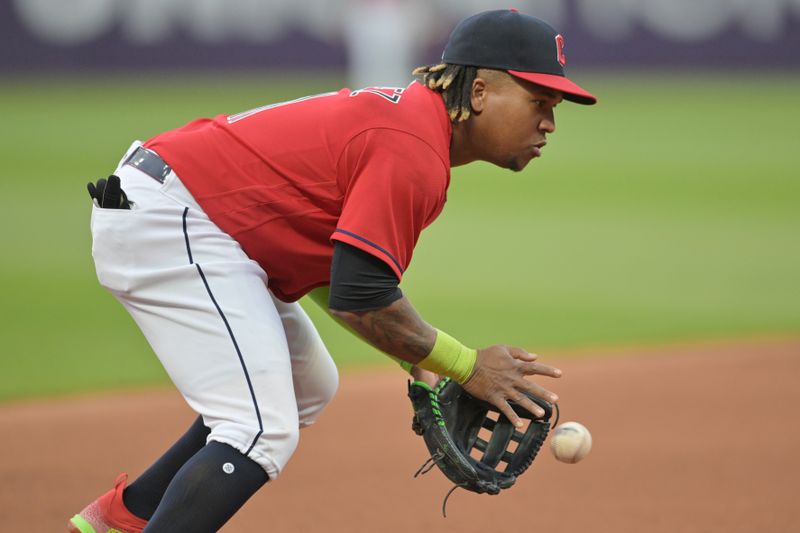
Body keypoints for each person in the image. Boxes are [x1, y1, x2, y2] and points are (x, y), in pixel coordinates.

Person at [69, 8, 596, 533]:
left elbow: (337, 270)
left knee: (306, 387)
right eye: (539, 102)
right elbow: (361, 296)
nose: (549, 121)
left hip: (195, 220)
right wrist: (468, 366)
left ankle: (117, 522)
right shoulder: (413, 148)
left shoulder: (413, 127)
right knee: (259, 429)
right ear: (479, 92)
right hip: (173, 221)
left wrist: (418, 363)